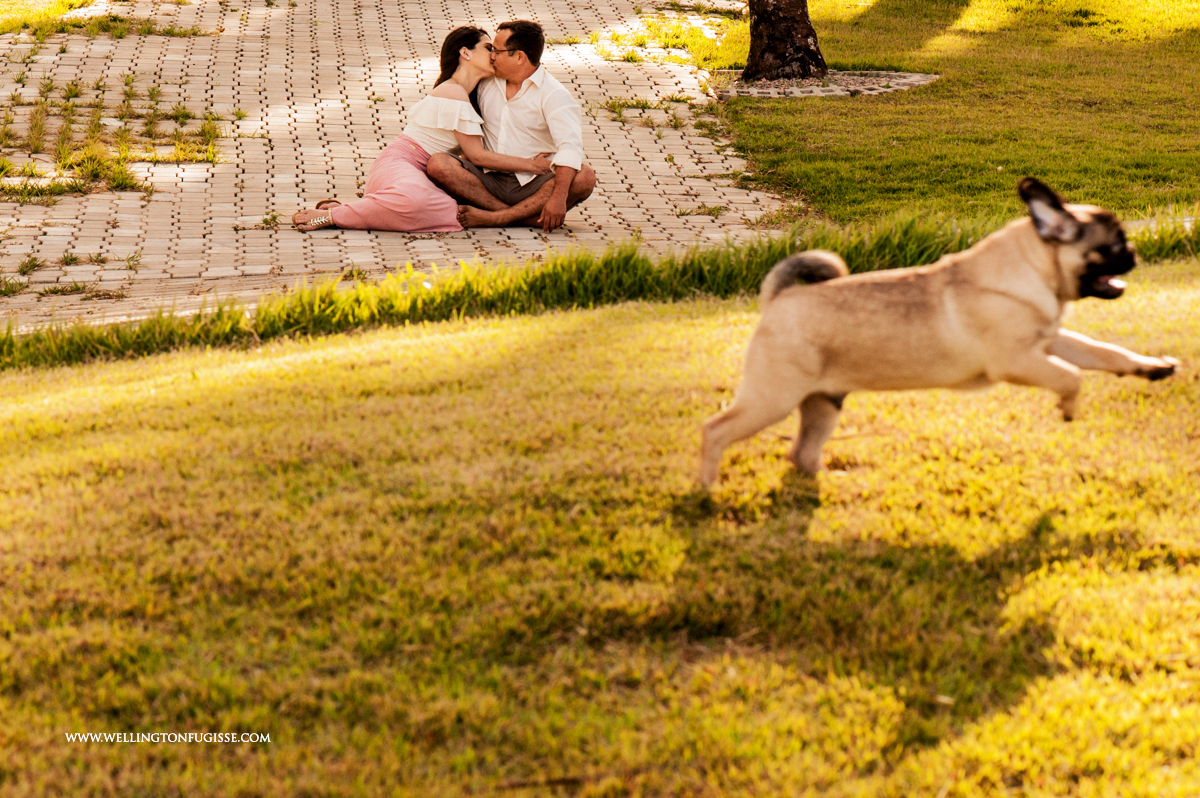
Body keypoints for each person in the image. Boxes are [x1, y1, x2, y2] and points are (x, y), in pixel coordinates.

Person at [291, 26, 553, 233]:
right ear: (465, 53)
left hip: (422, 173)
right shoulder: (453, 92)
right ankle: (333, 215)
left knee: (445, 204)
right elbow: (477, 156)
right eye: (488, 48)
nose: (494, 55)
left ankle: (354, 207)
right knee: (431, 206)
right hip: (401, 164)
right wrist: (531, 165)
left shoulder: (473, 94)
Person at [425, 20, 596, 232]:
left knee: (585, 176)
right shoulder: (485, 82)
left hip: (534, 183)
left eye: (496, 50)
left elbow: (570, 147)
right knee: (438, 164)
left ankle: (497, 218)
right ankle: (513, 217)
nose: (492, 56)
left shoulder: (554, 94)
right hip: (486, 180)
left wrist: (559, 199)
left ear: (519, 57)